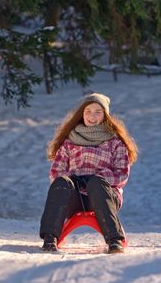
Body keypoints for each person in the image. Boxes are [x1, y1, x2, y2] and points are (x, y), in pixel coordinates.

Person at [40, 93, 138, 254]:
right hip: (75, 197)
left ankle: (115, 240)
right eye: (88, 111)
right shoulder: (70, 141)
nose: (92, 116)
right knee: (61, 183)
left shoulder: (115, 142)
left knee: (96, 184)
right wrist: (73, 179)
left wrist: (97, 177)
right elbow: (56, 172)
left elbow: (122, 175)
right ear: (82, 114)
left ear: (105, 115)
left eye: (98, 112)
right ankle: (50, 237)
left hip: (104, 196)